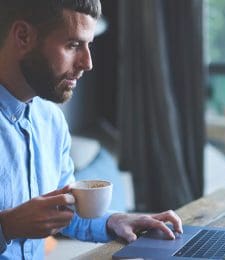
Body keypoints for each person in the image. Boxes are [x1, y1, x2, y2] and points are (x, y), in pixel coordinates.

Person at [0, 0, 183, 259]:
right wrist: (6, 227)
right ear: (23, 36)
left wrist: (116, 221)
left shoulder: (51, 121)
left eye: (89, 45)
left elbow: (65, 213)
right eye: (73, 45)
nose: (87, 63)